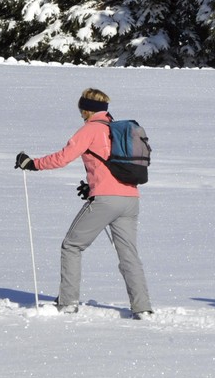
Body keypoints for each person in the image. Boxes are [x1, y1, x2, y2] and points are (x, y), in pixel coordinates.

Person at [15, 88, 153, 319]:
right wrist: (92, 186)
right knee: (129, 255)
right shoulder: (117, 130)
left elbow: (63, 157)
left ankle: (68, 302)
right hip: (130, 199)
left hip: (105, 201)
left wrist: (32, 164)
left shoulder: (90, 130)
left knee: (72, 246)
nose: (80, 114)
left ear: (86, 110)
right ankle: (143, 308)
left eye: (81, 110)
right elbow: (112, 164)